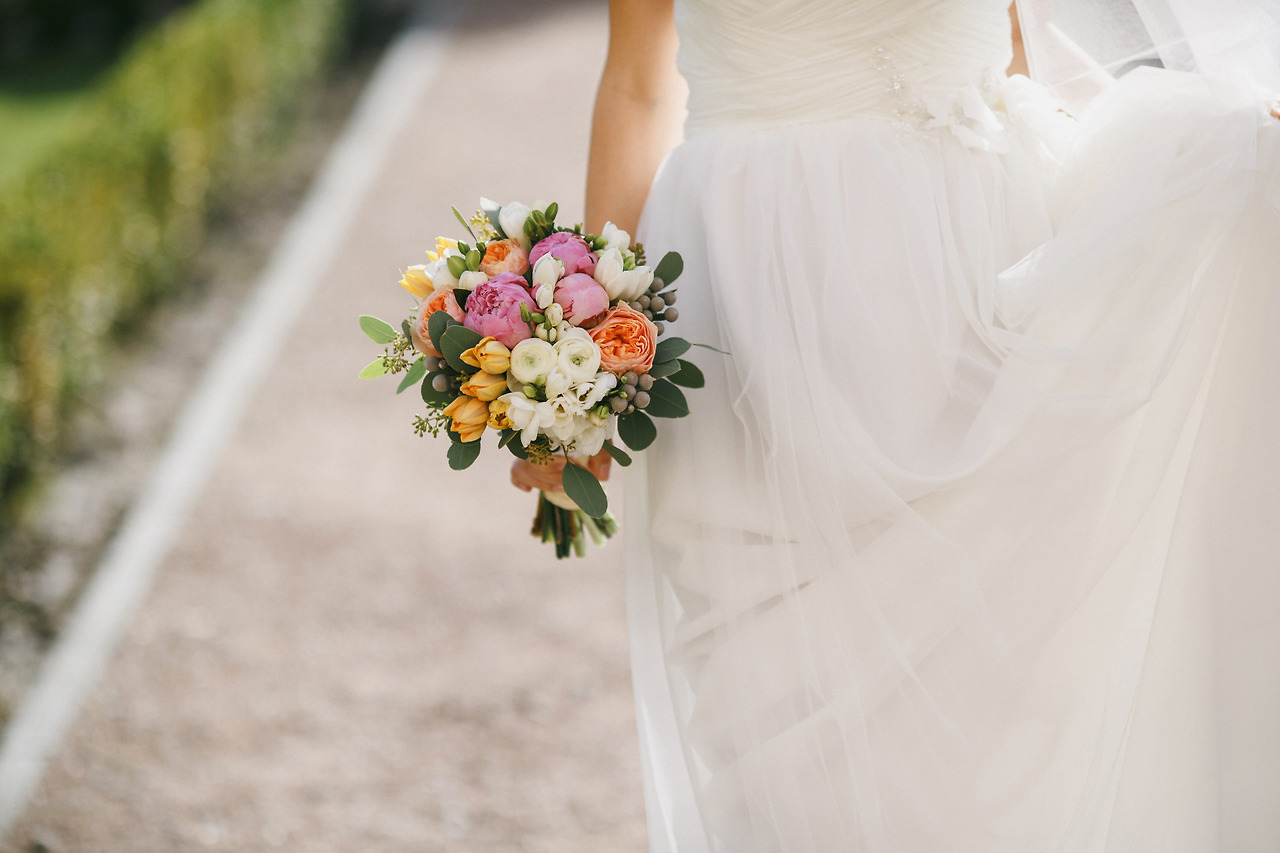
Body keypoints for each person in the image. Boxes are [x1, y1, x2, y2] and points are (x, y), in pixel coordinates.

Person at [518, 0, 1280, 849]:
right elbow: (636, 85)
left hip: (971, 264)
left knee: (995, 669)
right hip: (740, 288)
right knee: (765, 689)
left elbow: (1022, 44)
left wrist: (1197, 172)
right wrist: (579, 358)